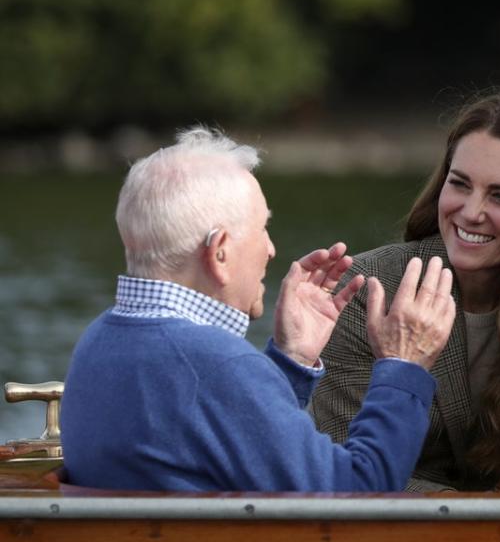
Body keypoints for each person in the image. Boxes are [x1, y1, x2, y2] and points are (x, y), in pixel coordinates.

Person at [60, 127, 456, 492]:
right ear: (220, 252)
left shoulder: (97, 343)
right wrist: (404, 365)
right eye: (262, 228)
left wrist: (292, 361)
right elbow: (359, 493)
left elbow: (210, 442)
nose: (270, 249)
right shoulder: (215, 364)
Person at [311, 91, 500, 492]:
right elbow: (344, 466)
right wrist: (492, 522)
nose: (471, 212)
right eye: (460, 185)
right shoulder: (368, 288)